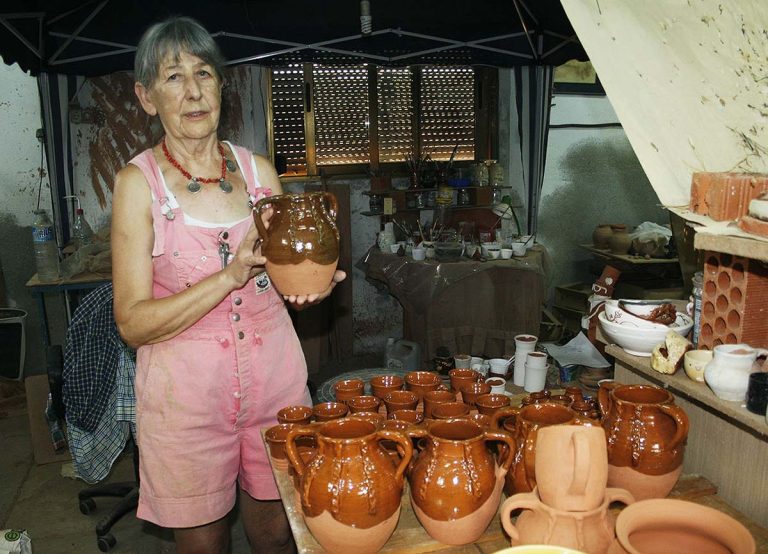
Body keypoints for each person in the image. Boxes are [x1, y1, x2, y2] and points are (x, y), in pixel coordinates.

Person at [111, 16, 345, 554]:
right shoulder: (137, 185)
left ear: (221, 86)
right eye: (173, 78)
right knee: (204, 545)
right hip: (185, 401)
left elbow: (283, 277)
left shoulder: (259, 173)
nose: (193, 91)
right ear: (147, 98)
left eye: (204, 74)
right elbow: (132, 322)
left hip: (276, 384)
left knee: (279, 536)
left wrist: (308, 287)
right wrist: (229, 275)